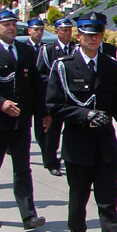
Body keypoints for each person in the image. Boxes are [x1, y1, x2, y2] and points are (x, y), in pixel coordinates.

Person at [46, 12, 117, 232]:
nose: (94, 38)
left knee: (108, 203)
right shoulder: (64, 66)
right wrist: (84, 115)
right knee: (79, 201)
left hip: (105, 146)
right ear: (79, 36)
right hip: (78, 146)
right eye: (88, 34)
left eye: (98, 34)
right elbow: (54, 106)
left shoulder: (109, 65)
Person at [0, 9, 50, 231]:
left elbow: (34, 84)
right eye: (6, 24)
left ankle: (28, 215)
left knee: (23, 169)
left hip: (20, 120)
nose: (11, 28)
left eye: (14, 24)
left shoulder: (25, 50)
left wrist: (44, 112)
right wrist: (0, 103)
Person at [38, 17, 77, 176]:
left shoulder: (76, 48)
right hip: (56, 96)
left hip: (72, 98)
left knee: (72, 132)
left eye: (69, 30)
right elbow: (40, 74)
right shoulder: (48, 50)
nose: (67, 33)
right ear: (57, 32)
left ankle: (71, 159)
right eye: (64, 30)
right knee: (53, 131)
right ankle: (51, 162)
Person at [26, 19, 48, 157]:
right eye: (36, 30)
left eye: (41, 30)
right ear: (29, 31)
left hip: (40, 93)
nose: (39, 33)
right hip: (26, 93)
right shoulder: (23, 47)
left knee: (42, 127)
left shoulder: (45, 48)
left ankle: (46, 153)